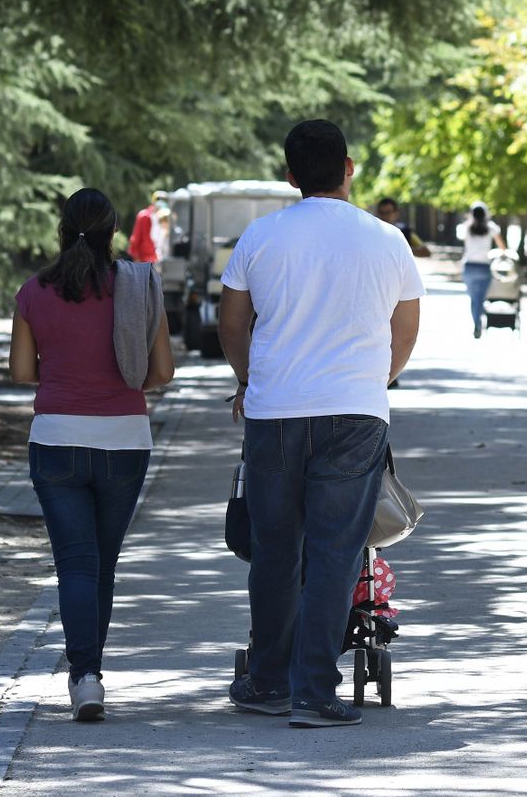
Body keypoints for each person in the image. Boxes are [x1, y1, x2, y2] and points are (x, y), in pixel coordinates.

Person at [217, 119, 423, 728]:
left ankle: (267, 682)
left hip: (275, 412)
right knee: (336, 554)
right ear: (350, 167)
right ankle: (314, 693)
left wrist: (249, 380)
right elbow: (405, 329)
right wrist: (375, 382)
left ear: (290, 176)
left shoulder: (261, 236)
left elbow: (233, 323)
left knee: (276, 552)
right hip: (356, 415)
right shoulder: (387, 239)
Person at [9, 187, 175, 722]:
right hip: (124, 441)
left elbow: (21, 373)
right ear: (113, 233)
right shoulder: (139, 286)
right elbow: (162, 373)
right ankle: (90, 672)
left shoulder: (34, 292)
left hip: (56, 440)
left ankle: (85, 678)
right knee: (101, 565)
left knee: (75, 567)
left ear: (63, 229)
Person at [457, 202, 506, 338]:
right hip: (484, 267)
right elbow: (501, 246)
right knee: (480, 298)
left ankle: (477, 323)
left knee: (474, 298)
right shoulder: (491, 228)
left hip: (469, 267)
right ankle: (478, 322)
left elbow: (461, 239)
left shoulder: (465, 228)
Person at [127, 190, 164, 262]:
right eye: (159, 199)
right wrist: (136, 257)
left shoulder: (163, 218)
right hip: (143, 259)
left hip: (157, 258)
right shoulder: (144, 215)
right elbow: (135, 237)